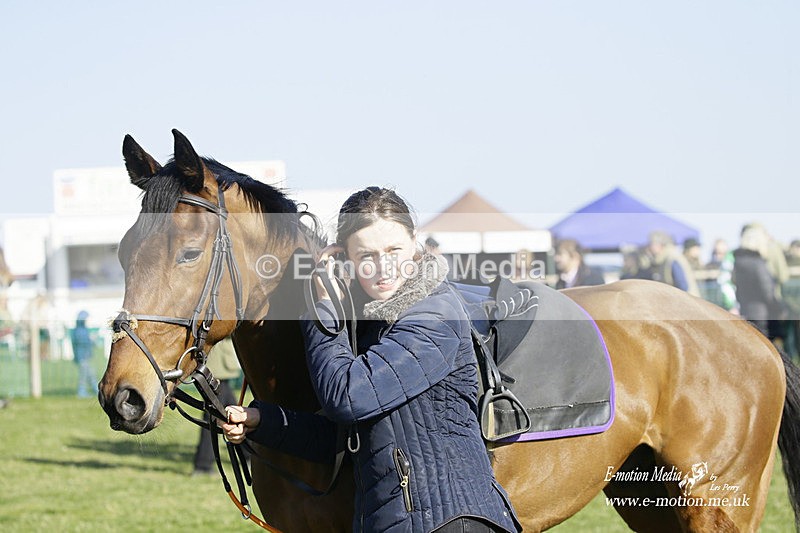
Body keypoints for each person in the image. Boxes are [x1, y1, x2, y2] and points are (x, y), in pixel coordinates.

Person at [221, 187, 521, 533]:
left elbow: (348, 399)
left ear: (416, 245)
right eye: (367, 256)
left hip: (452, 523)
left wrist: (323, 308)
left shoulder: (435, 315)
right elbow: (346, 437)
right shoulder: (369, 323)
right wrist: (263, 421)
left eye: (394, 250)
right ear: (344, 259)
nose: (384, 268)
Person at [192, 336, 246, 475]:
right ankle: (203, 465)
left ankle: (249, 455)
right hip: (216, 371)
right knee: (213, 417)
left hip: (220, 370)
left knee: (234, 414)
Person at [732, 227, 783, 337]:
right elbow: (767, 290)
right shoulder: (758, 263)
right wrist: (779, 309)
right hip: (763, 314)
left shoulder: (738, 262)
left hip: (746, 310)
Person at [641, 231, 700, 297]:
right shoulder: (662, 259)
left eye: (652, 244)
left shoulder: (672, 258)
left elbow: (683, 286)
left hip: (687, 301)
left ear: (660, 245)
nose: (650, 248)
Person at [70, 310, 97, 398]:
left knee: (90, 374)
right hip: (82, 357)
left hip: (84, 356)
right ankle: (81, 392)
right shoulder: (79, 331)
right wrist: (91, 340)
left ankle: (95, 389)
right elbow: (82, 342)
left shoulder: (81, 329)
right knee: (84, 375)